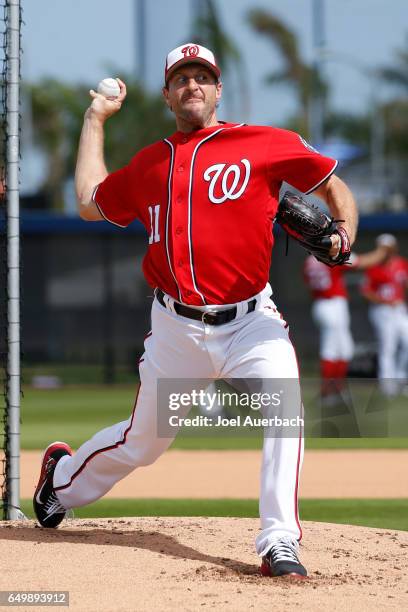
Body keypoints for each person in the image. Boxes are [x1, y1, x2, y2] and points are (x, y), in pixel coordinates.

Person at [33, 43, 358, 579]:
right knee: (144, 444)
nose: (193, 86)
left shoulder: (262, 143)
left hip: (252, 322)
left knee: (286, 410)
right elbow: (90, 202)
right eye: (181, 77)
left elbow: (332, 184)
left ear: (218, 88)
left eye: (202, 76)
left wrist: (344, 234)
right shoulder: (150, 162)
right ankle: (61, 480)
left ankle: (279, 541)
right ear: (167, 94)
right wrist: (94, 119)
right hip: (176, 328)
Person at [303, 244, 390, 405]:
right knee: (331, 350)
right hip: (333, 305)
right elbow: (364, 262)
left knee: (344, 349)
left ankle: (338, 390)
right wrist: (382, 251)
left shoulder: (309, 260)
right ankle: (326, 393)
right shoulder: (332, 256)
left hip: (322, 304)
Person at [362, 234, 408, 396]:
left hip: (399, 309)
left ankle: (402, 379)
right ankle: (388, 386)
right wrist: (384, 301)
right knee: (388, 347)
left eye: (388, 248)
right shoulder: (373, 267)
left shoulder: (402, 264)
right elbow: (366, 292)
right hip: (382, 311)